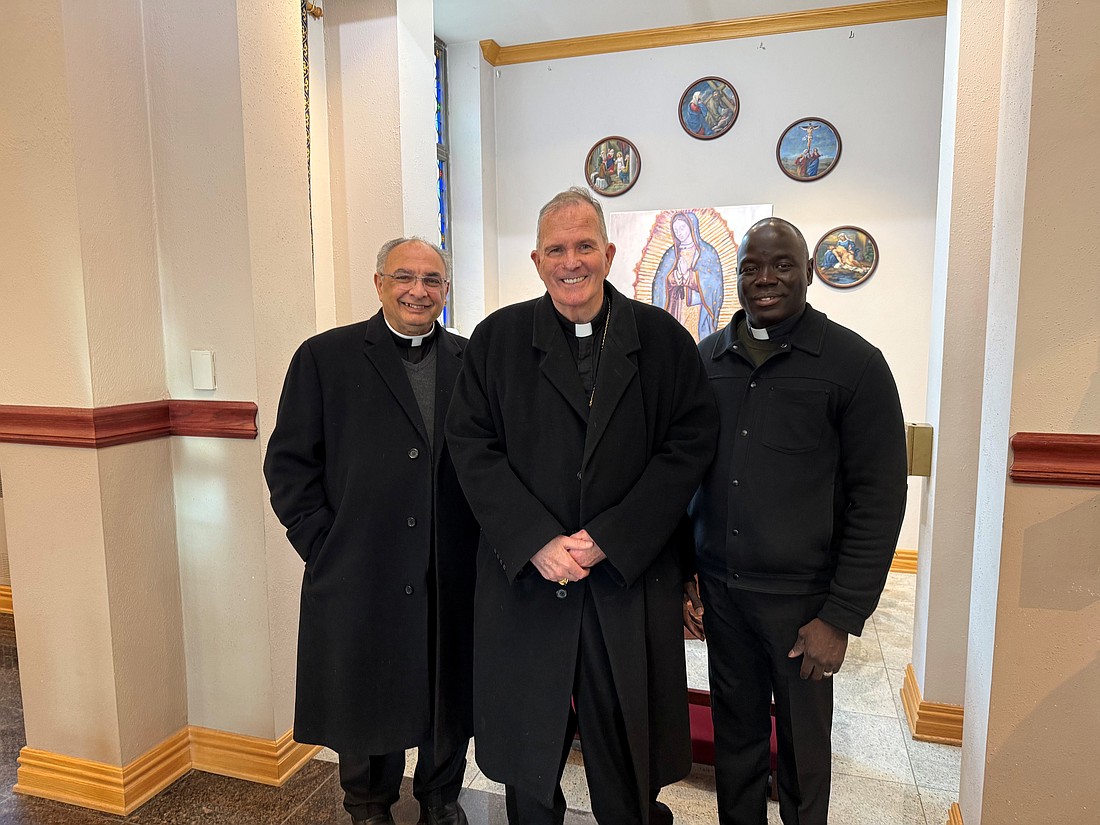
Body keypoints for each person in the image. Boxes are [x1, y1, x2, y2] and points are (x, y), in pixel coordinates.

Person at [445, 187, 718, 825]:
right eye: (557, 250)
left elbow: (688, 447)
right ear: (537, 261)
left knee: (627, 746)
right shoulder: (498, 339)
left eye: (585, 246)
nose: (572, 262)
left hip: (625, 579)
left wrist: (609, 538)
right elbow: (471, 445)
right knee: (530, 752)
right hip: (530, 579)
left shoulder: (662, 339)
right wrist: (537, 540)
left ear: (609, 253)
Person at [684, 218, 907, 825]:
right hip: (723, 593)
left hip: (802, 602)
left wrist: (841, 616)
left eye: (782, 265)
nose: (766, 279)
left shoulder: (855, 365)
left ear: (808, 270)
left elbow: (879, 499)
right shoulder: (705, 361)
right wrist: (685, 574)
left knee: (804, 756)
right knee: (736, 741)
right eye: (751, 267)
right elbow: (683, 477)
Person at [264, 238, 479, 825]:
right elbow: (289, 464)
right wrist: (323, 545)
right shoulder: (324, 357)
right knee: (367, 691)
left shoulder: (471, 360)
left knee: (447, 690)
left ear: (446, 290)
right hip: (362, 565)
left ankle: (441, 797)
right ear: (379, 282)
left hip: (450, 565)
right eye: (404, 277)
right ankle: (367, 805)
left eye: (432, 280)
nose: (418, 291)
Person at [650, 210, 724, 341]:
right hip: (675, 307)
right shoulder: (670, 254)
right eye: (675, 230)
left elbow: (714, 283)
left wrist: (689, 277)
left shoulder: (707, 252)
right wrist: (674, 277)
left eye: (682, 228)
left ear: (691, 226)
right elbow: (659, 283)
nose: (679, 232)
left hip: (696, 309)